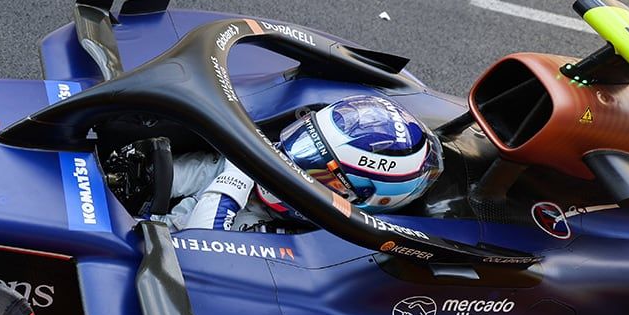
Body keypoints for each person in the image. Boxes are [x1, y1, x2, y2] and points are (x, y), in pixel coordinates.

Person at [157, 94, 443, 231]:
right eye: (303, 142)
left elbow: (203, 253)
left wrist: (232, 182)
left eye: (319, 171)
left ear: (358, 199)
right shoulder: (246, 170)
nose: (288, 159)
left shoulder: (303, 240)